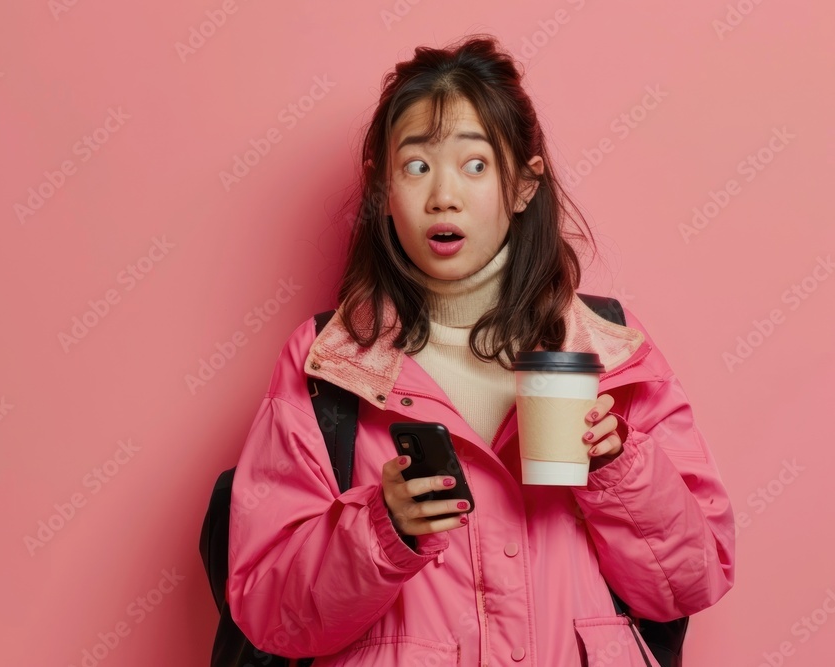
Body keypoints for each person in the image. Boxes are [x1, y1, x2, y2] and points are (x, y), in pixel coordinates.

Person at [226, 34, 735, 666]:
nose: (444, 194)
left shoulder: (610, 352)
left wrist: (618, 467)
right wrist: (384, 525)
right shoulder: (329, 361)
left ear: (523, 185)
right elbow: (271, 616)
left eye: (475, 165)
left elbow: (691, 582)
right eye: (417, 166)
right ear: (382, 188)